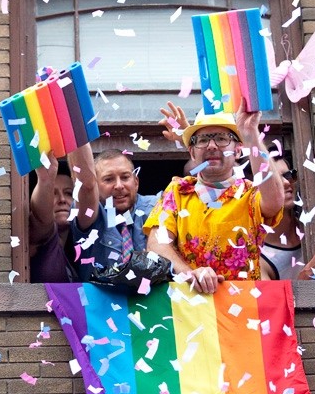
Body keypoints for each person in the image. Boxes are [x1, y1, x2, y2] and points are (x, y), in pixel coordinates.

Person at [144, 104, 284, 293]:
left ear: (237, 150)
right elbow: (156, 244)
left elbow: (275, 201)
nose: (211, 146)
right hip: (191, 304)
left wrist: (250, 133)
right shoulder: (178, 190)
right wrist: (189, 274)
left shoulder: (250, 194)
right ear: (192, 152)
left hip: (244, 304)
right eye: (203, 140)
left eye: (221, 138)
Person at [256, 152, 315, 280]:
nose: (286, 182)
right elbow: (271, 295)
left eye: (289, 175)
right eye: (273, 179)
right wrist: (309, 272)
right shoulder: (257, 257)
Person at [71, 148, 160, 280]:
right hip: (100, 293)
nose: (119, 186)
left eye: (125, 177)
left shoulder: (157, 207)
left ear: (136, 182)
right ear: (96, 187)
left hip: (154, 293)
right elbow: (85, 186)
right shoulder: (90, 214)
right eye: (108, 179)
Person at [29, 144, 96, 283]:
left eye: (69, 193)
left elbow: (87, 187)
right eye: (53, 193)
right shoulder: (41, 239)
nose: (62, 200)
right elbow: (41, 218)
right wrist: (45, 181)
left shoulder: (81, 245)